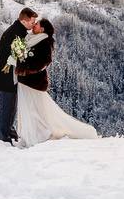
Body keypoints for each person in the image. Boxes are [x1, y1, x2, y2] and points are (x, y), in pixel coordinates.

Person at [14, 18, 98, 148]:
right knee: (27, 108)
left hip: (34, 82)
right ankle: (29, 135)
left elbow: (44, 62)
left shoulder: (44, 42)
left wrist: (25, 70)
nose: (34, 25)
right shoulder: (30, 38)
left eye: (37, 24)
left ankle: (37, 135)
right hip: (24, 81)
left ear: (42, 29)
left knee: (34, 110)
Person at [0, 7, 38, 143]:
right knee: (6, 108)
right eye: (32, 21)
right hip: (5, 78)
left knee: (10, 108)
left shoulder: (18, 31)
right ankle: (4, 138)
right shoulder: (16, 34)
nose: (34, 24)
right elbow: (20, 57)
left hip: (7, 77)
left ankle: (9, 134)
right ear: (24, 20)